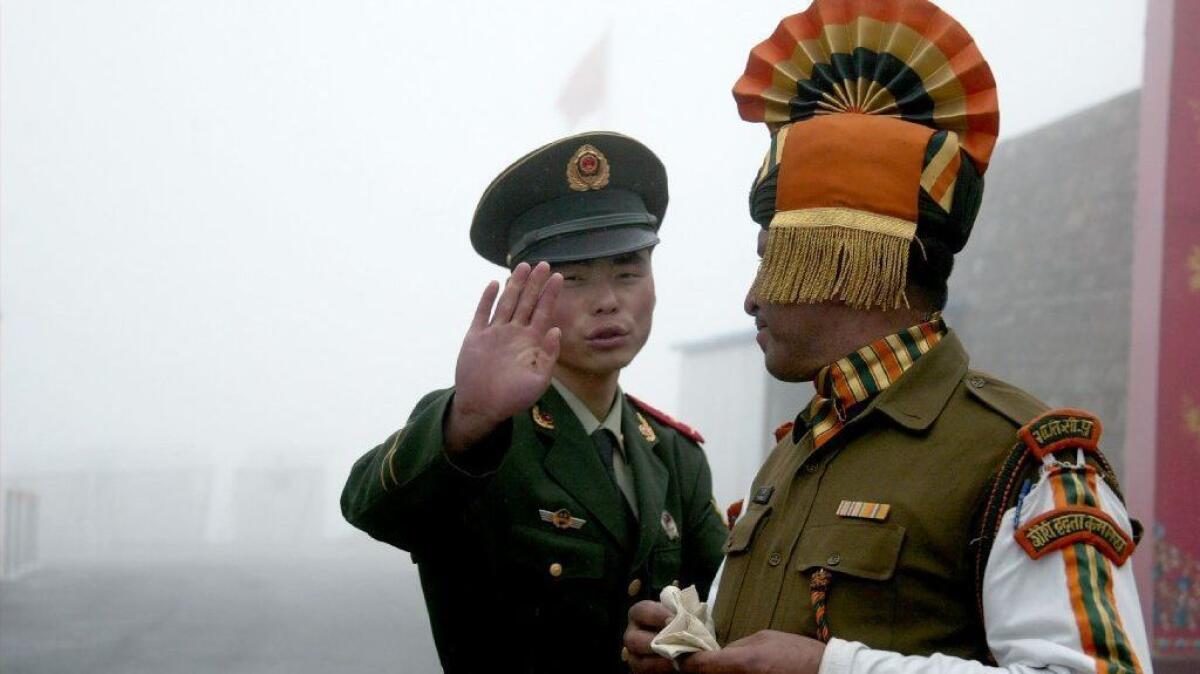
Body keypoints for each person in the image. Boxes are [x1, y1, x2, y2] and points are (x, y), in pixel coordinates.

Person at [623, 1, 1153, 672]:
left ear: (843, 255)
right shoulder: (795, 455)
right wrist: (692, 646)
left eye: (770, 257)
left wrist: (831, 669)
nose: (751, 296)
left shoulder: (1026, 462)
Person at [341, 132, 727, 674]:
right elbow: (369, 506)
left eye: (628, 271)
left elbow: (729, 604)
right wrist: (470, 417)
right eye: (572, 279)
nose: (608, 300)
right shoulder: (480, 433)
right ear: (524, 295)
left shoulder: (674, 455)